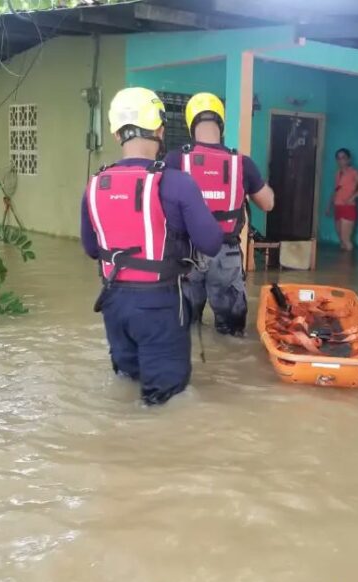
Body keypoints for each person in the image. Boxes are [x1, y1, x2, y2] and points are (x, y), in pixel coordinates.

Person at [81, 87, 223, 406]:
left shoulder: (95, 184)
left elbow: (91, 248)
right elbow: (211, 242)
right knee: (164, 402)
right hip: (160, 306)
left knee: (126, 384)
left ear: (117, 134)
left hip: (113, 305)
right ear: (160, 129)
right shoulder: (177, 183)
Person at [164, 92, 275, 337]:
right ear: (221, 124)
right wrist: (256, 181)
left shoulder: (175, 159)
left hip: (187, 254)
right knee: (231, 333)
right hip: (227, 254)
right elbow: (268, 204)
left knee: (185, 329)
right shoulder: (241, 163)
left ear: (191, 125)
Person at [326, 148, 358, 251]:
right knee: (341, 240)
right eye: (338, 158)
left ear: (348, 159)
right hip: (338, 207)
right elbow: (336, 190)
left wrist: (353, 197)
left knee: (346, 240)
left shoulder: (353, 172)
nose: (341, 160)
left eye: (343, 158)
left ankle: (349, 264)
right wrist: (329, 206)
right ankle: (343, 265)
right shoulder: (337, 173)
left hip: (348, 207)